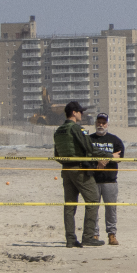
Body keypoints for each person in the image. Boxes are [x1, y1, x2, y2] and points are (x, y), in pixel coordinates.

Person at [52, 101, 105, 248]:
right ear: (74, 113)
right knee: (93, 200)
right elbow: (89, 147)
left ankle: (70, 239)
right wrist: (108, 155)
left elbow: (57, 155)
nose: (82, 114)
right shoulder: (76, 129)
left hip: (66, 170)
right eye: (80, 112)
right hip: (79, 170)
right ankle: (88, 236)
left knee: (69, 206)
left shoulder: (59, 131)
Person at [89, 113, 125, 246]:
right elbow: (85, 155)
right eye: (99, 122)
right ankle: (94, 234)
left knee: (111, 209)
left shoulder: (115, 140)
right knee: (93, 208)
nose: (101, 125)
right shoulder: (89, 139)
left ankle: (112, 234)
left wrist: (105, 159)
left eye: (103, 123)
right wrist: (103, 158)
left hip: (110, 180)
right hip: (92, 179)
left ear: (107, 124)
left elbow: (119, 158)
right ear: (95, 123)